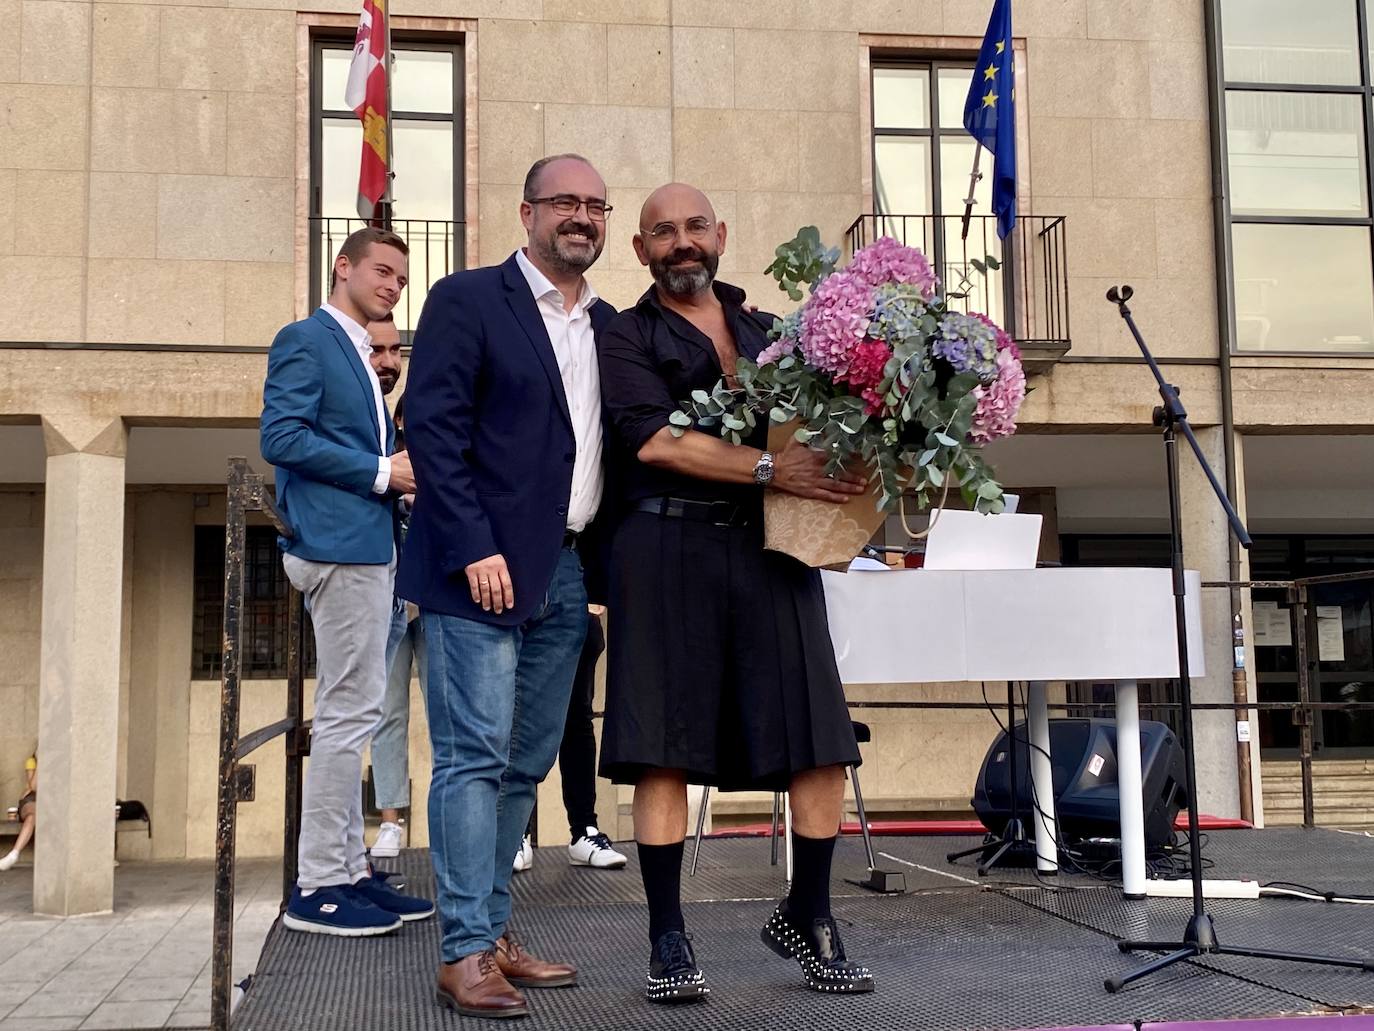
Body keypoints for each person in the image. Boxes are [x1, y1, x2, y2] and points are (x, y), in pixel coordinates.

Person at [597, 183, 875, 1003]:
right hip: (664, 545)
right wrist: (769, 468)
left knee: (820, 734)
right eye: (662, 232)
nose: (681, 242)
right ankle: (667, 934)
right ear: (641, 250)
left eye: (694, 227)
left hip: (774, 550)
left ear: (721, 235)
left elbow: (822, 432)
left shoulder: (773, 335)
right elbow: (651, 440)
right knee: (663, 744)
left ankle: (811, 914)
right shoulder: (625, 335)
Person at [398, 154, 616, 1019]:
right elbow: (433, 431)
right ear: (526, 213)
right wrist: (474, 546)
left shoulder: (604, 322)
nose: (582, 216)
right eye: (565, 201)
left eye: (596, 205)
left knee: (524, 763)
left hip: (564, 569)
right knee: (473, 757)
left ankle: (490, 933)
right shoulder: (467, 298)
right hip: (477, 569)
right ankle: (460, 951)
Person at [260, 226, 434, 936]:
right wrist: (382, 472)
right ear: (344, 267)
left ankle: (350, 868)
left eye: (400, 277)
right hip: (338, 547)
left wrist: (397, 482)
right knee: (345, 715)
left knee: (354, 711)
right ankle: (319, 884)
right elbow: (282, 437)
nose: (394, 284)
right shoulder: (308, 338)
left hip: (364, 543)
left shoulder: (361, 352)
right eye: (383, 271)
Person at [364, 319, 426, 860]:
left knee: (453, 712)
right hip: (388, 603)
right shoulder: (388, 454)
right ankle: (389, 820)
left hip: (437, 600)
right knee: (386, 712)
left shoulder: (445, 457)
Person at [512, 607, 628, 872]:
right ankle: (517, 833)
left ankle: (584, 829)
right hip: (523, 601)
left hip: (575, 601)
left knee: (577, 717)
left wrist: (597, 591)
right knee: (522, 720)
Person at [0, 752, 36, 871]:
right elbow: (34, 786)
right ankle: (13, 855)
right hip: (32, 800)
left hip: (51, 803)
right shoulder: (32, 761)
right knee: (33, 816)